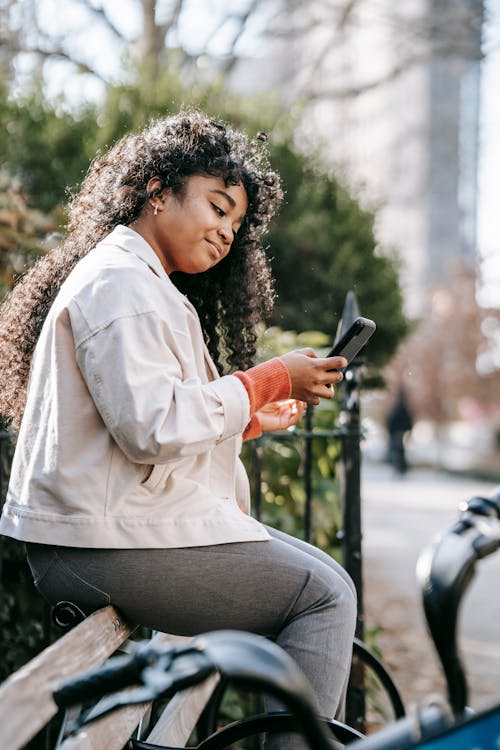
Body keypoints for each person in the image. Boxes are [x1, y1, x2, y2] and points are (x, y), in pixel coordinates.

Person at [0, 110, 356, 749]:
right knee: (323, 597)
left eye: (237, 223)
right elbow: (152, 428)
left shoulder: (143, 283)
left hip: (113, 532)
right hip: (95, 546)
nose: (226, 232)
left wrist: (246, 422)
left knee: (328, 582)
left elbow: (142, 426)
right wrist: (266, 381)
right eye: (218, 208)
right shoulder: (120, 283)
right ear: (157, 191)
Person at [386, 388, 414, 475]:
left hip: (397, 434)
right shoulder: (404, 409)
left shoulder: (396, 410)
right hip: (401, 434)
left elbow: (390, 422)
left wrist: (392, 433)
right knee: (400, 452)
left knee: (397, 452)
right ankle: (401, 468)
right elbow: (409, 422)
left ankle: (399, 468)